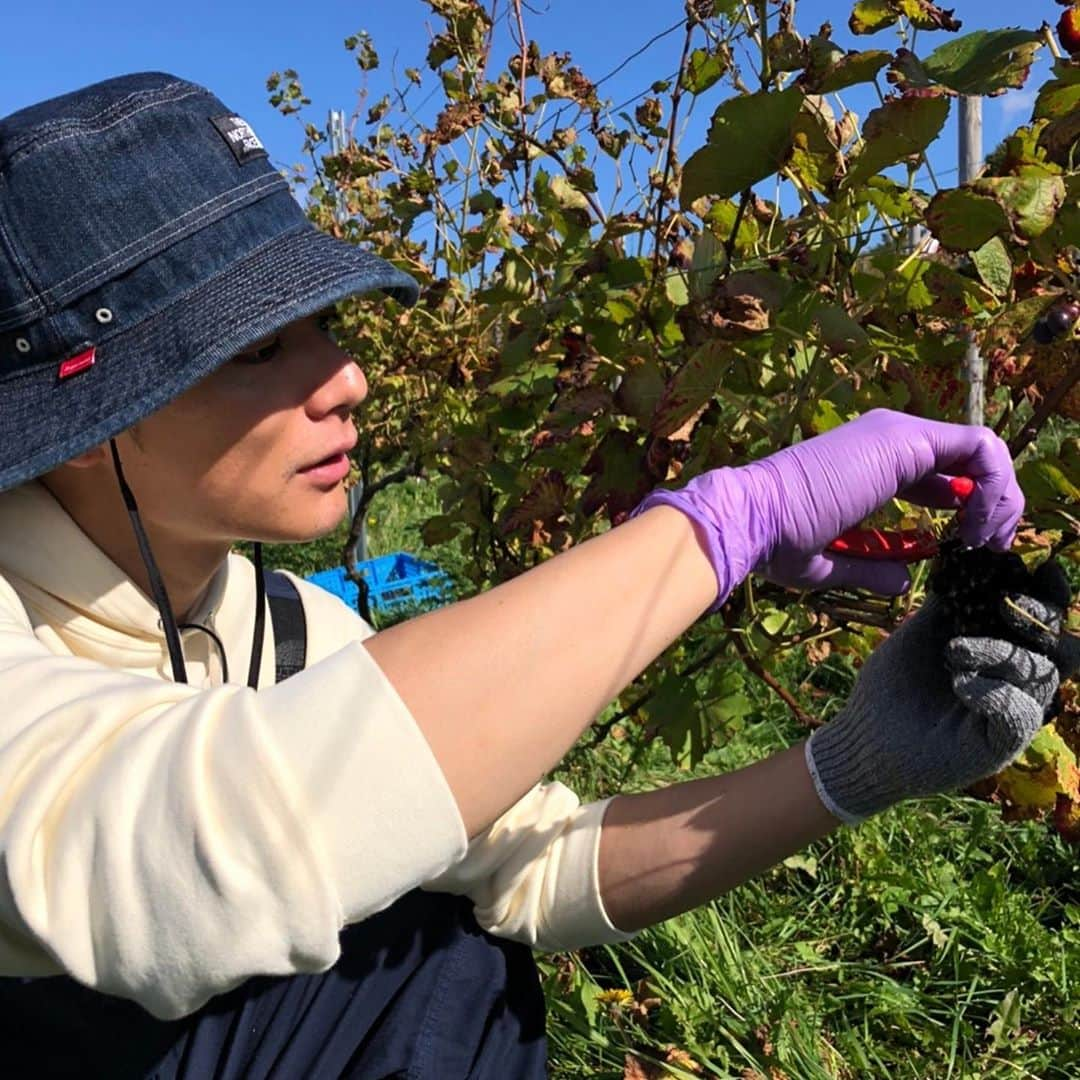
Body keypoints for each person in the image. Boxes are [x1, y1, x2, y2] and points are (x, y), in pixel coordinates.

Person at [0, 72, 1072, 1079]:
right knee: (422, 963)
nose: (350, 377)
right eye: (255, 350)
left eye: (324, 327)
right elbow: (191, 860)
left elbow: (534, 865)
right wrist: (719, 527)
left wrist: (850, 765)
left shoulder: (284, 631)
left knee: (436, 935)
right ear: (88, 423)